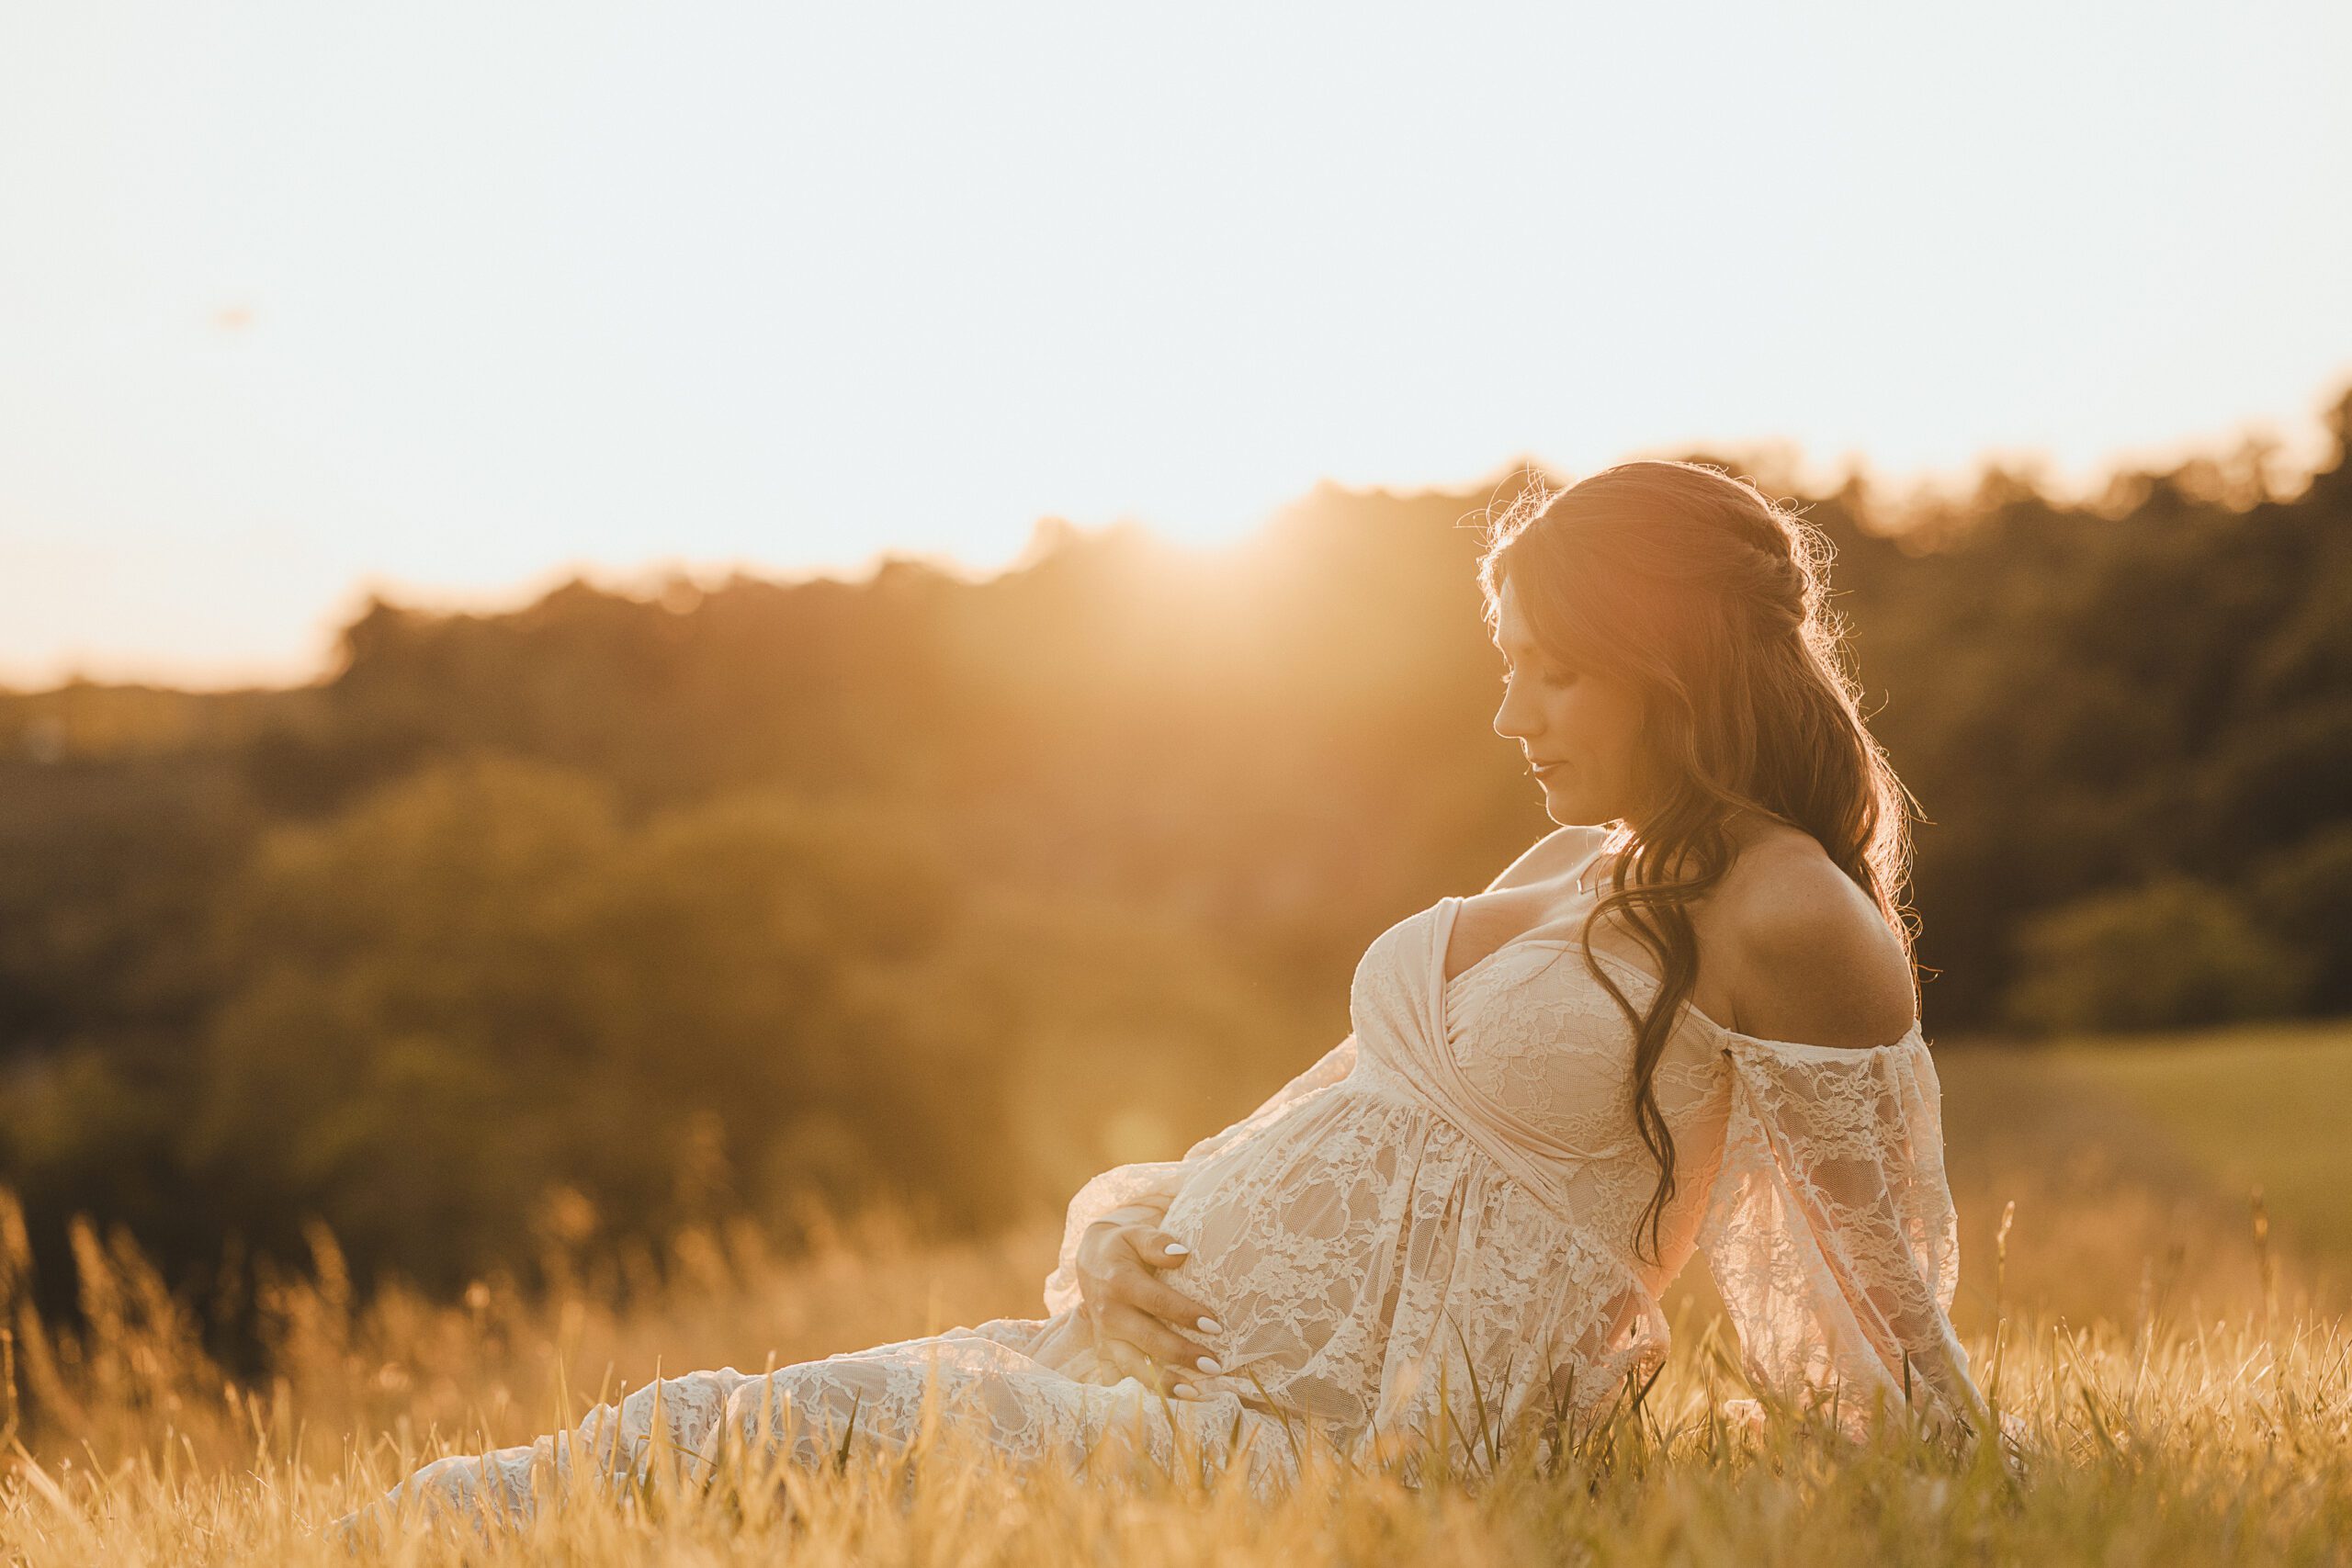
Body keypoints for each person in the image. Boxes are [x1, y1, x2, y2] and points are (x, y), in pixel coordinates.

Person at [344, 460, 1996, 1530]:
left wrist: (1947, 1491)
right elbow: (1347, 1115)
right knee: (695, 1437)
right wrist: (1137, 1232)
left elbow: (1866, 1286)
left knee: (726, 1467)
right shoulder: (1592, 865)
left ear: (1674, 657)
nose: (1511, 715)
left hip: (1340, 1457)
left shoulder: (1793, 913)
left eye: (1548, 668)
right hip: (1156, 1363)